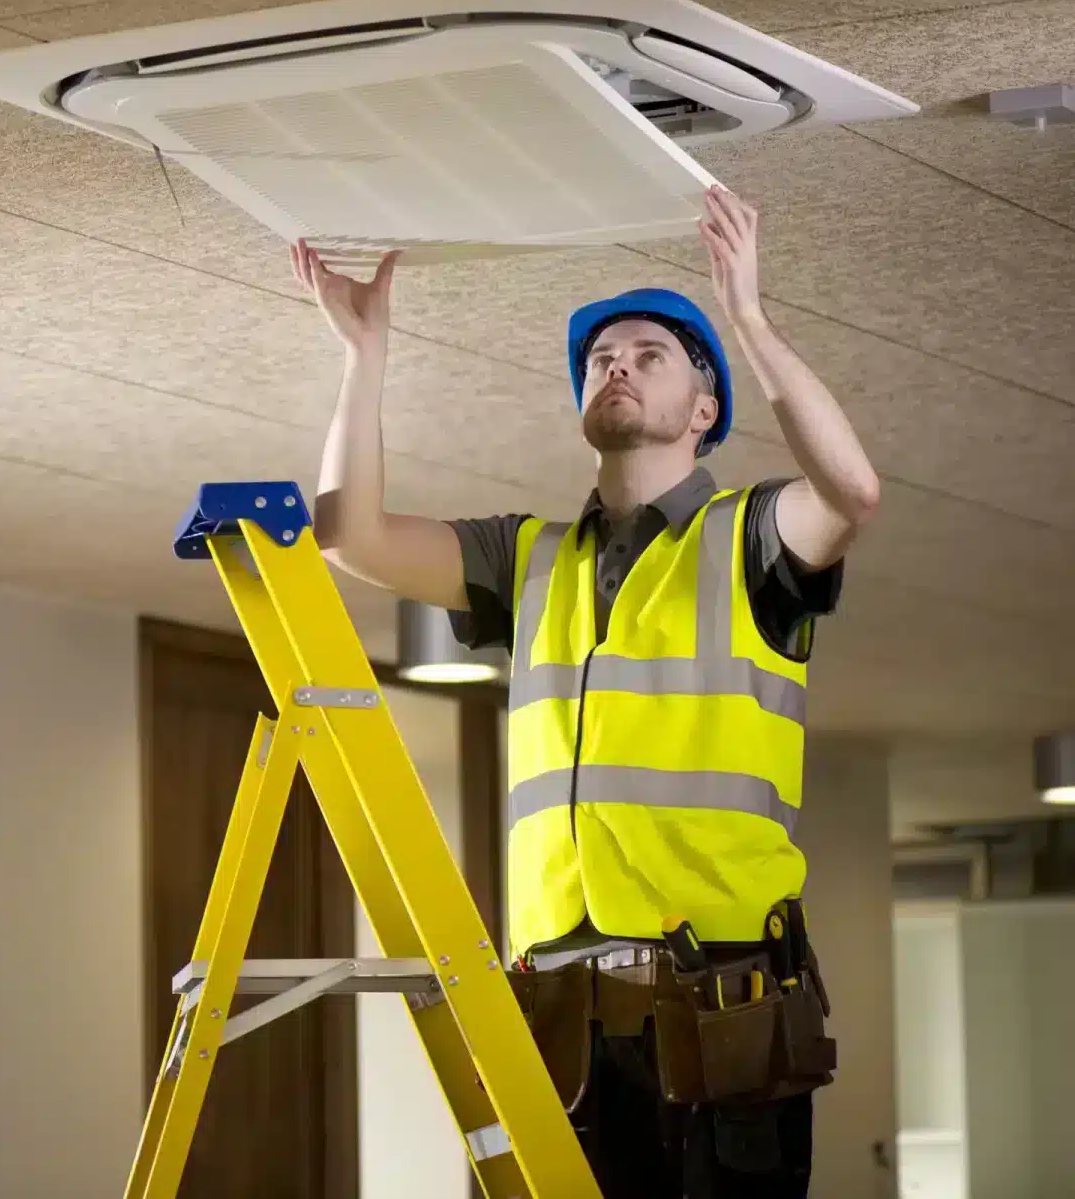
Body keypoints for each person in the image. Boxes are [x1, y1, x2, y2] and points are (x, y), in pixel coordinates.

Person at [294, 185, 879, 1198]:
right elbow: (350, 537)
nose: (617, 366)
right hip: (560, 1017)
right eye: (602, 358)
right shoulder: (527, 558)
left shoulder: (748, 539)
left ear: (705, 410)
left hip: (721, 1011)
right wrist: (364, 357)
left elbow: (852, 493)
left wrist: (747, 317)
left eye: (651, 356)